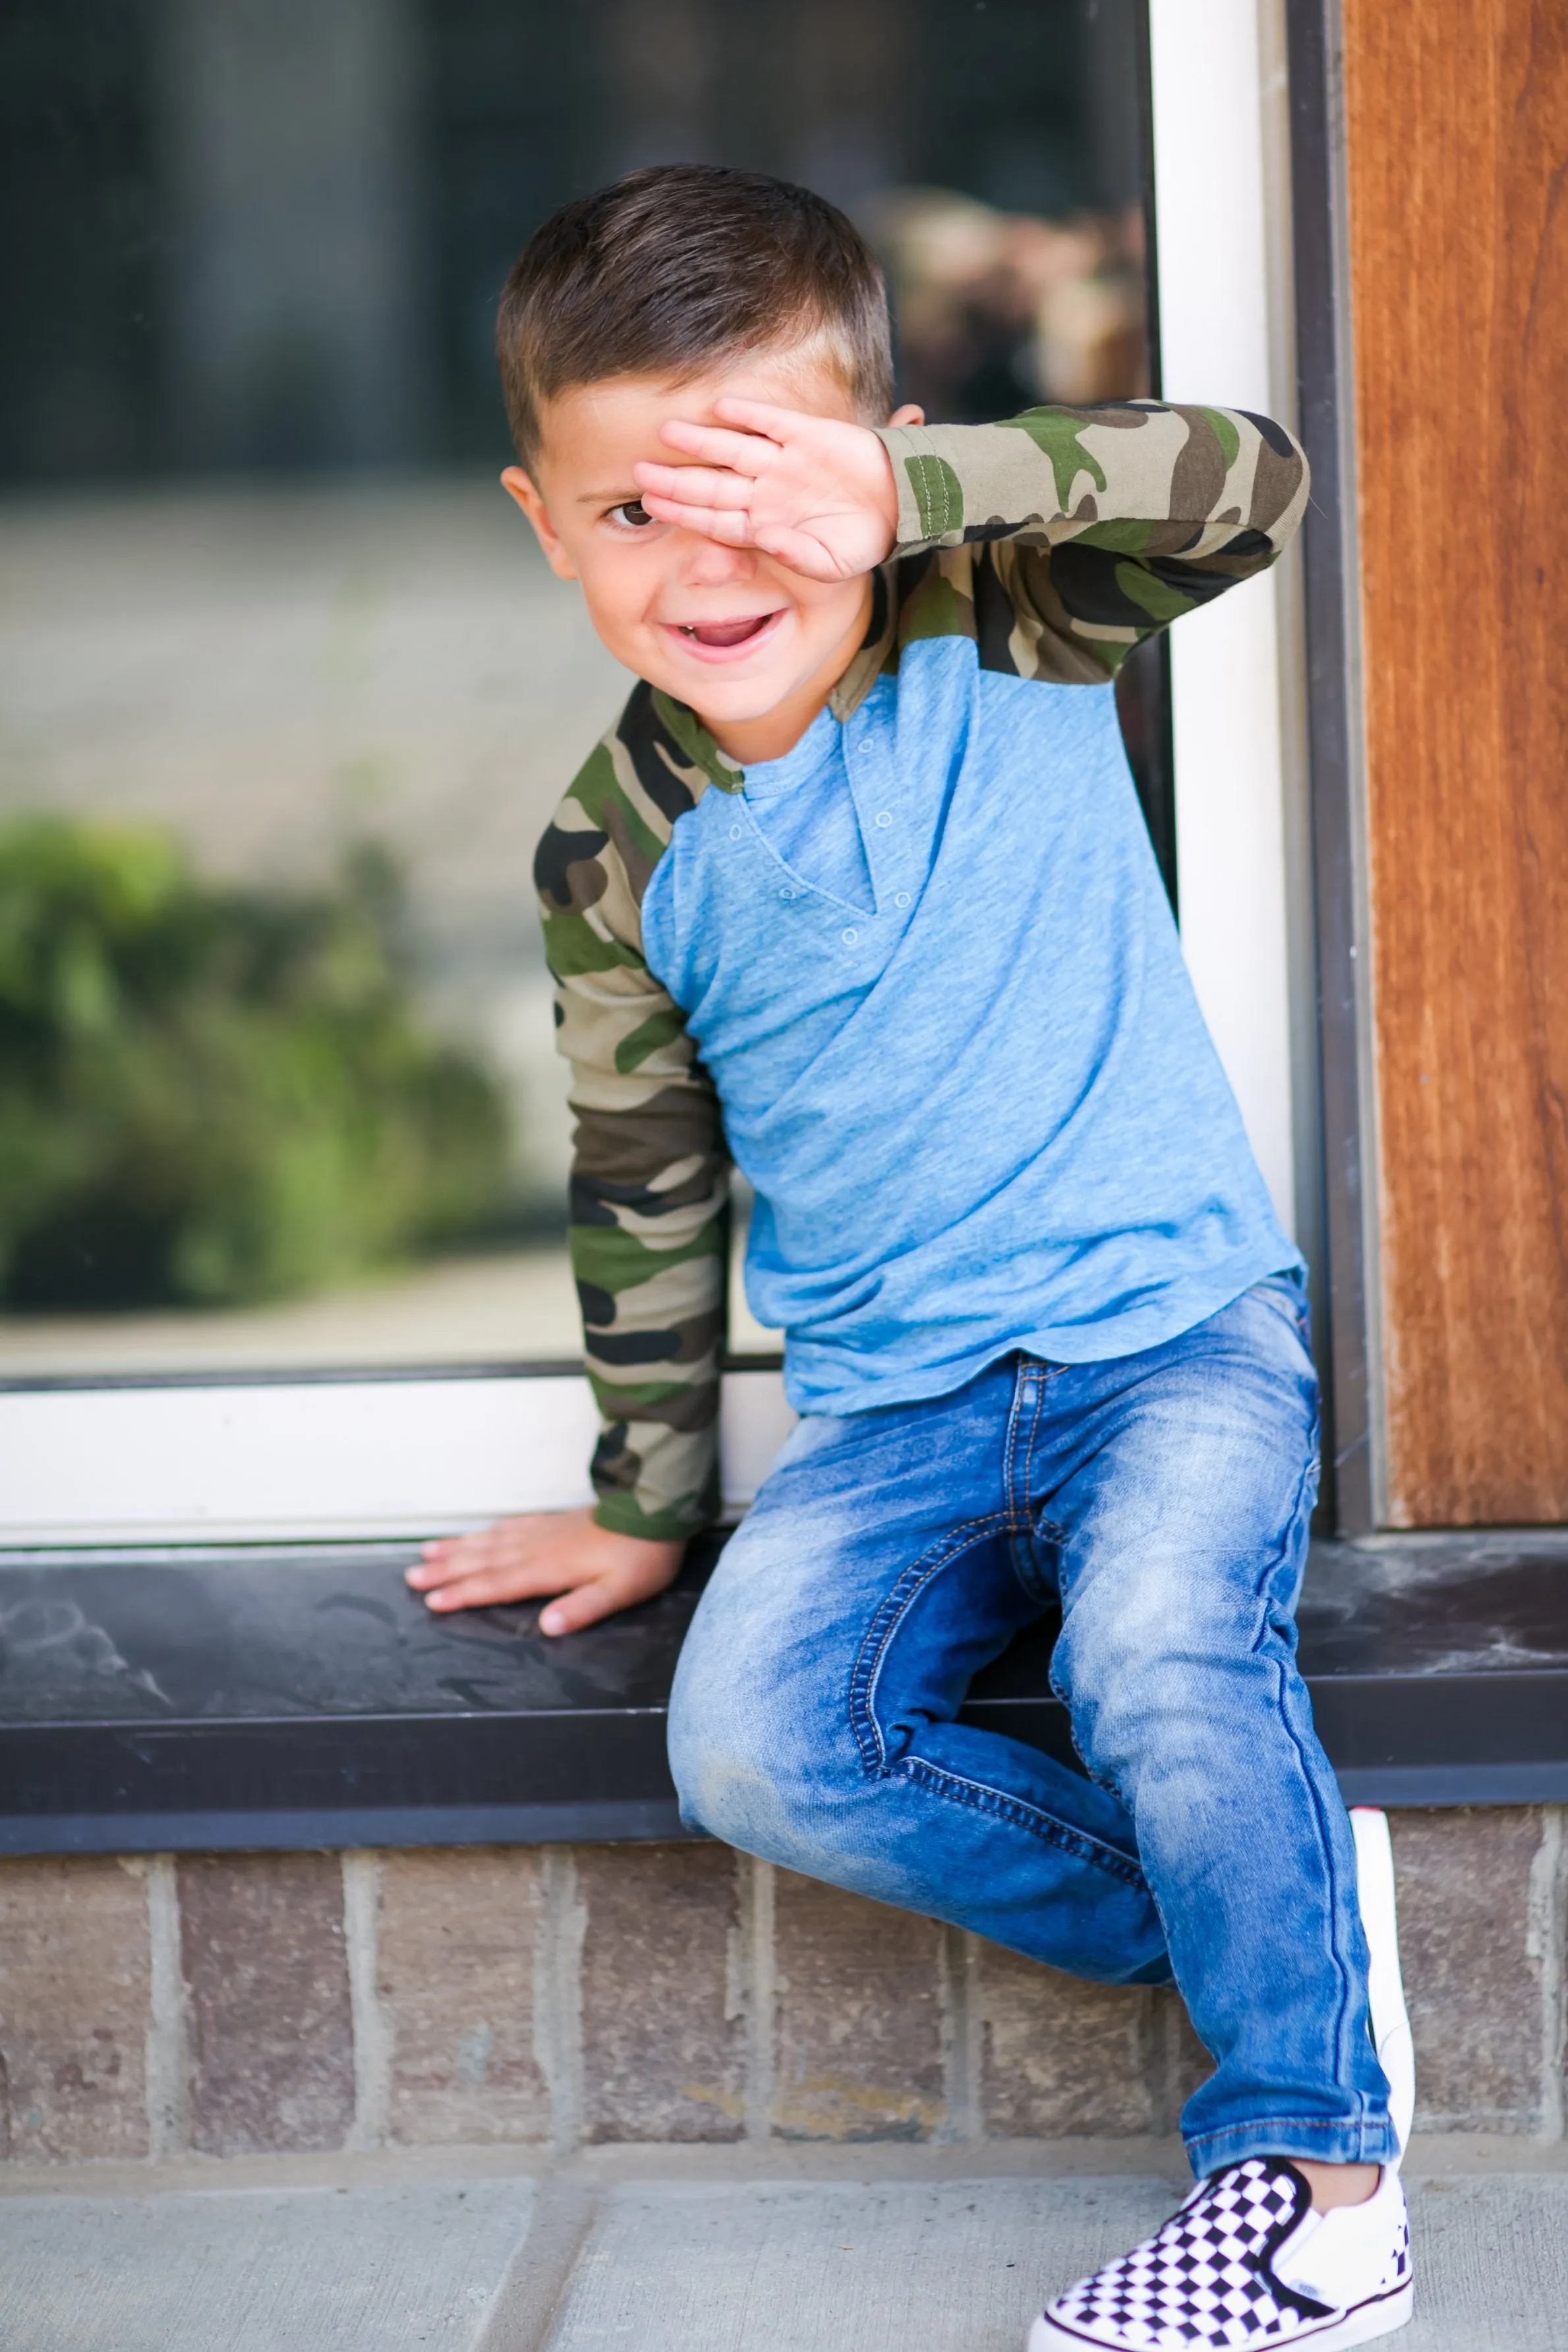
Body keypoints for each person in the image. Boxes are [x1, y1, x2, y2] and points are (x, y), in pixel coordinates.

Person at [408, 163, 1414, 2351]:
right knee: (754, 1747)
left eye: (766, 488)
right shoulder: (614, 850)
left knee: (1162, 1644)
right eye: (636, 513)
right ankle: (1277, 1909)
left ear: (862, 470)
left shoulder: (999, 607)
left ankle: (1321, 2191)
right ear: (542, 523)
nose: (717, 560)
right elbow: (641, 1175)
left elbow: (1255, 478)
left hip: (1172, 1338)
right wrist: (640, 1500)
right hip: (898, 1418)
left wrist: (910, 489)